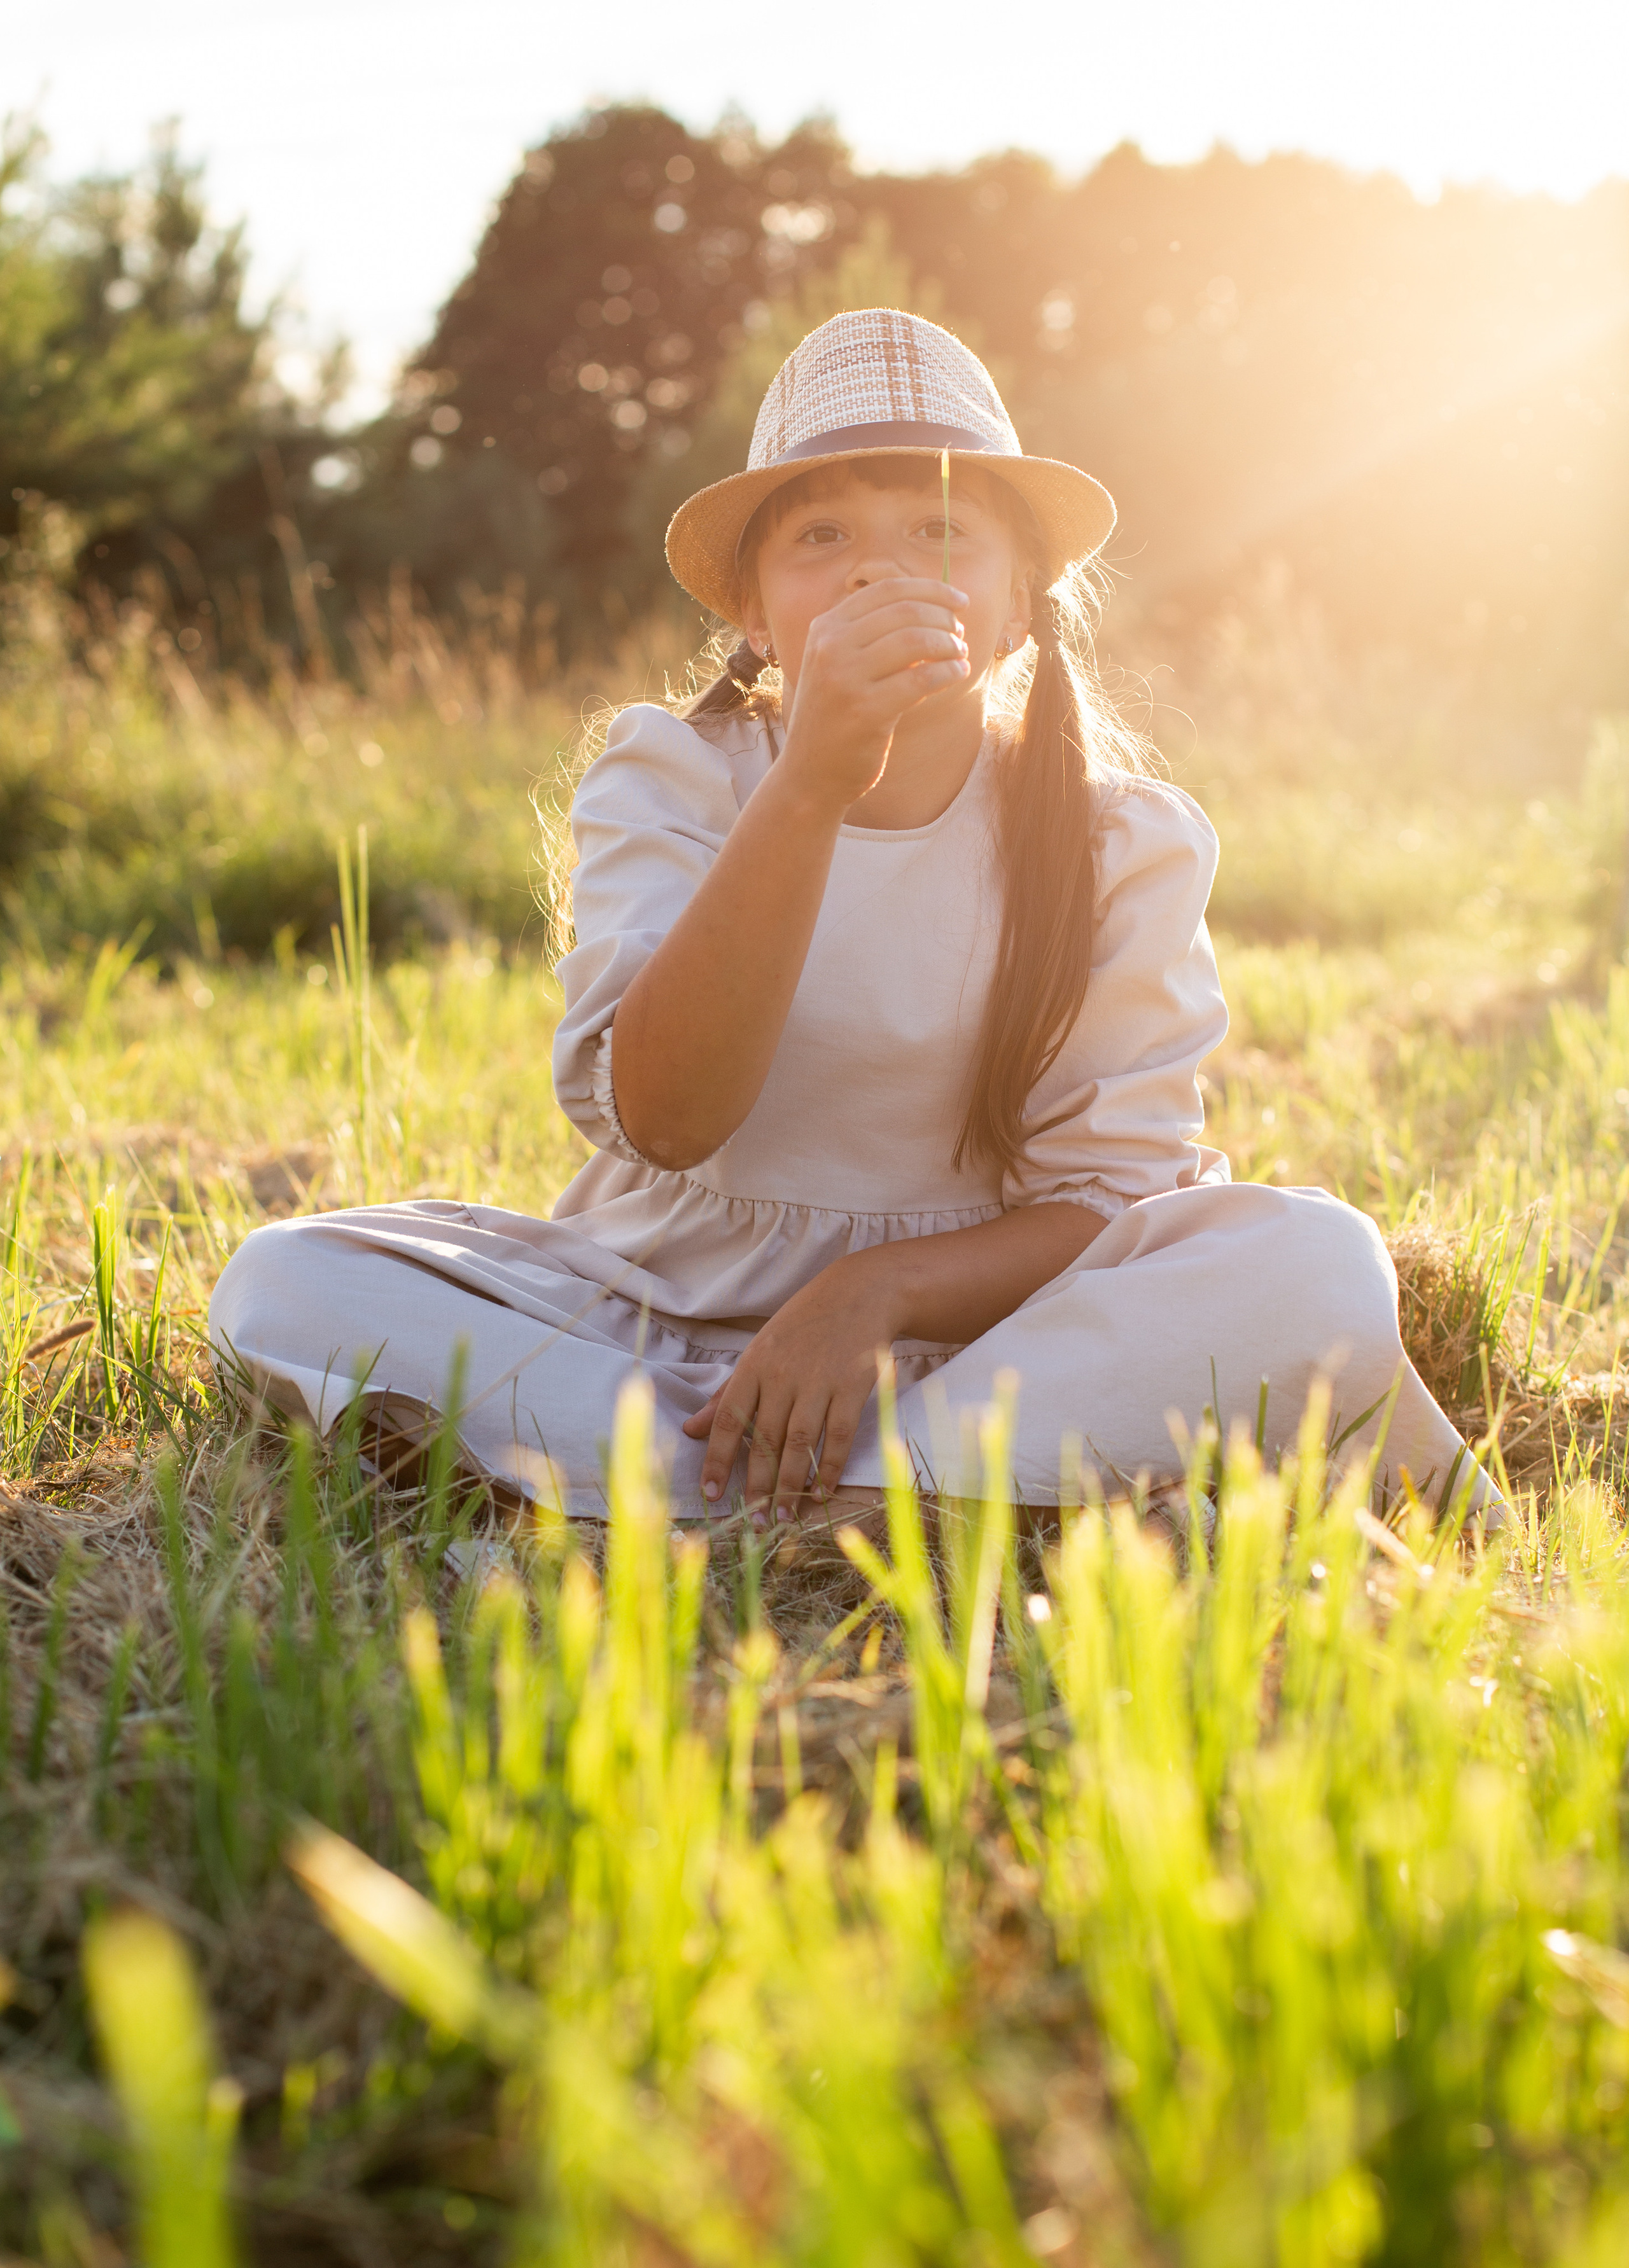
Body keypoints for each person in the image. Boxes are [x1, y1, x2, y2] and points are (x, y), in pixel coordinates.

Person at [211, 309, 1486, 1526]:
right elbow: (665, 1115)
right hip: (651, 1319)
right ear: (755, 616)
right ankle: (863, 1488)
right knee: (283, 1281)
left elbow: (1107, 1197)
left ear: (1016, 602)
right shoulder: (669, 775)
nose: (879, 566)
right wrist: (814, 781)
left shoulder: (1117, 839)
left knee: (1314, 1261)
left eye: (939, 530)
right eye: (819, 537)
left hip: (981, 1347)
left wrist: (868, 1294)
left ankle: (783, 1483)